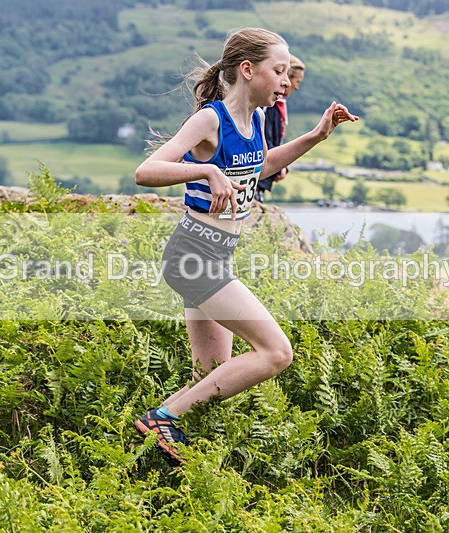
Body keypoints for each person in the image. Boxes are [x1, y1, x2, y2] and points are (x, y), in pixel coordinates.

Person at [133, 27, 358, 466]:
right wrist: (205, 172)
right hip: (195, 255)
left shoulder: (254, 121)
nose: (286, 80)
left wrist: (316, 135)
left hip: (215, 255)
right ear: (248, 69)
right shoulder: (211, 120)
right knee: (276, 353)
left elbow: (264, 163)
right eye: (279, 70)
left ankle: (141, 449)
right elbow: (146, 171)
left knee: (210, 378)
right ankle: (161, 419)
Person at [257, 54, 305, 203]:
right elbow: (264, 138)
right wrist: (279, 165)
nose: (296, 87)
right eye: (297, 81)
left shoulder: (277, 105)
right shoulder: (268, 104)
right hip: (258, 175)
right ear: (288, 77)